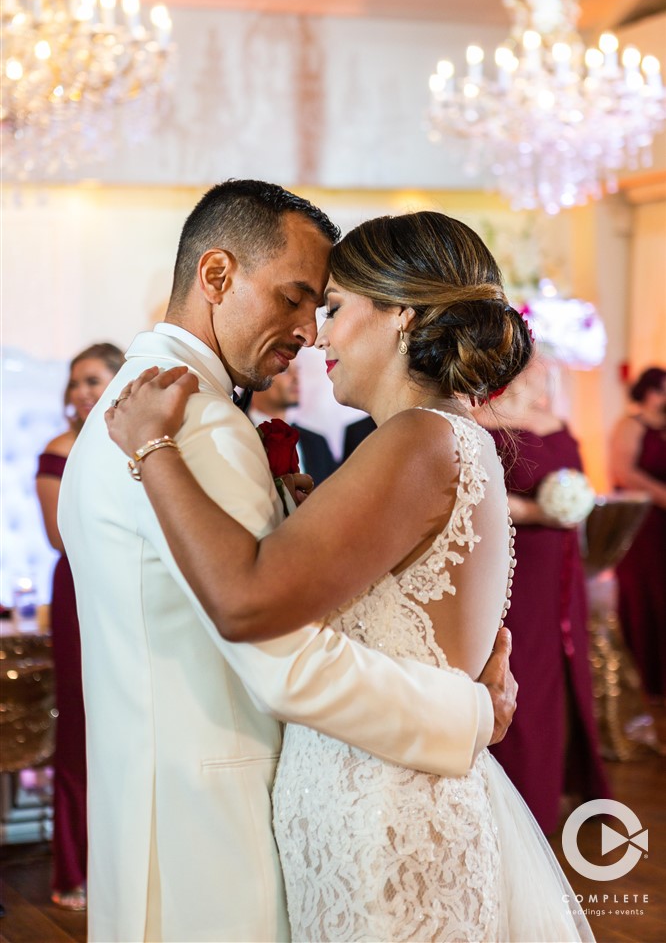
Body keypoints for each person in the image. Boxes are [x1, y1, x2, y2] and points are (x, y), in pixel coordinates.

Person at [105, 210, 593, 942]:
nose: (318, 336)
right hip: (381, 799)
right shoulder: (439, 439)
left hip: (386, 821)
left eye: (334, 307)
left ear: (400, 314)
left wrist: (153, 448)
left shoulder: (419, 439)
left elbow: (244, 602)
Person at [477, 357, 610, 835]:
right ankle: (519, 797)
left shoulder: (557, 424)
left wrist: (573, 504)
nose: (545, 369)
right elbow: (480, 492)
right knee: (524, 668)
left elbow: (579, 483)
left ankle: (557, 787)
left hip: (561, 564)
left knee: (562, 669)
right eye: (534, 361)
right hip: (519, 562)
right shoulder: (480, 423)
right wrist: (537, 511)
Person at [36, 342, 124, 912]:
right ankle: (73, 870)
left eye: (93, 381)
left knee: (125, 721)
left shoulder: (134, 445)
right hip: (78, 590)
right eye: (74, 384)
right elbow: (59, 535)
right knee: (79, 728)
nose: (81, 393)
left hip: (124, 589)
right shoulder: (59, 452)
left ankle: (123, 863)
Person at [610, 366, 666, 699]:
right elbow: (623, 472)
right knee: (648, 595)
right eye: (661, 389)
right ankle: (644, 682)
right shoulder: (630, 425)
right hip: (643, 525)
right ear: (646, 392)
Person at [249, 363, 337, 484]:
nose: (295, 377)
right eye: (284, 370)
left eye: (297, 370)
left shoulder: (317, 443)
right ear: (253, 378)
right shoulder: (236, 432)